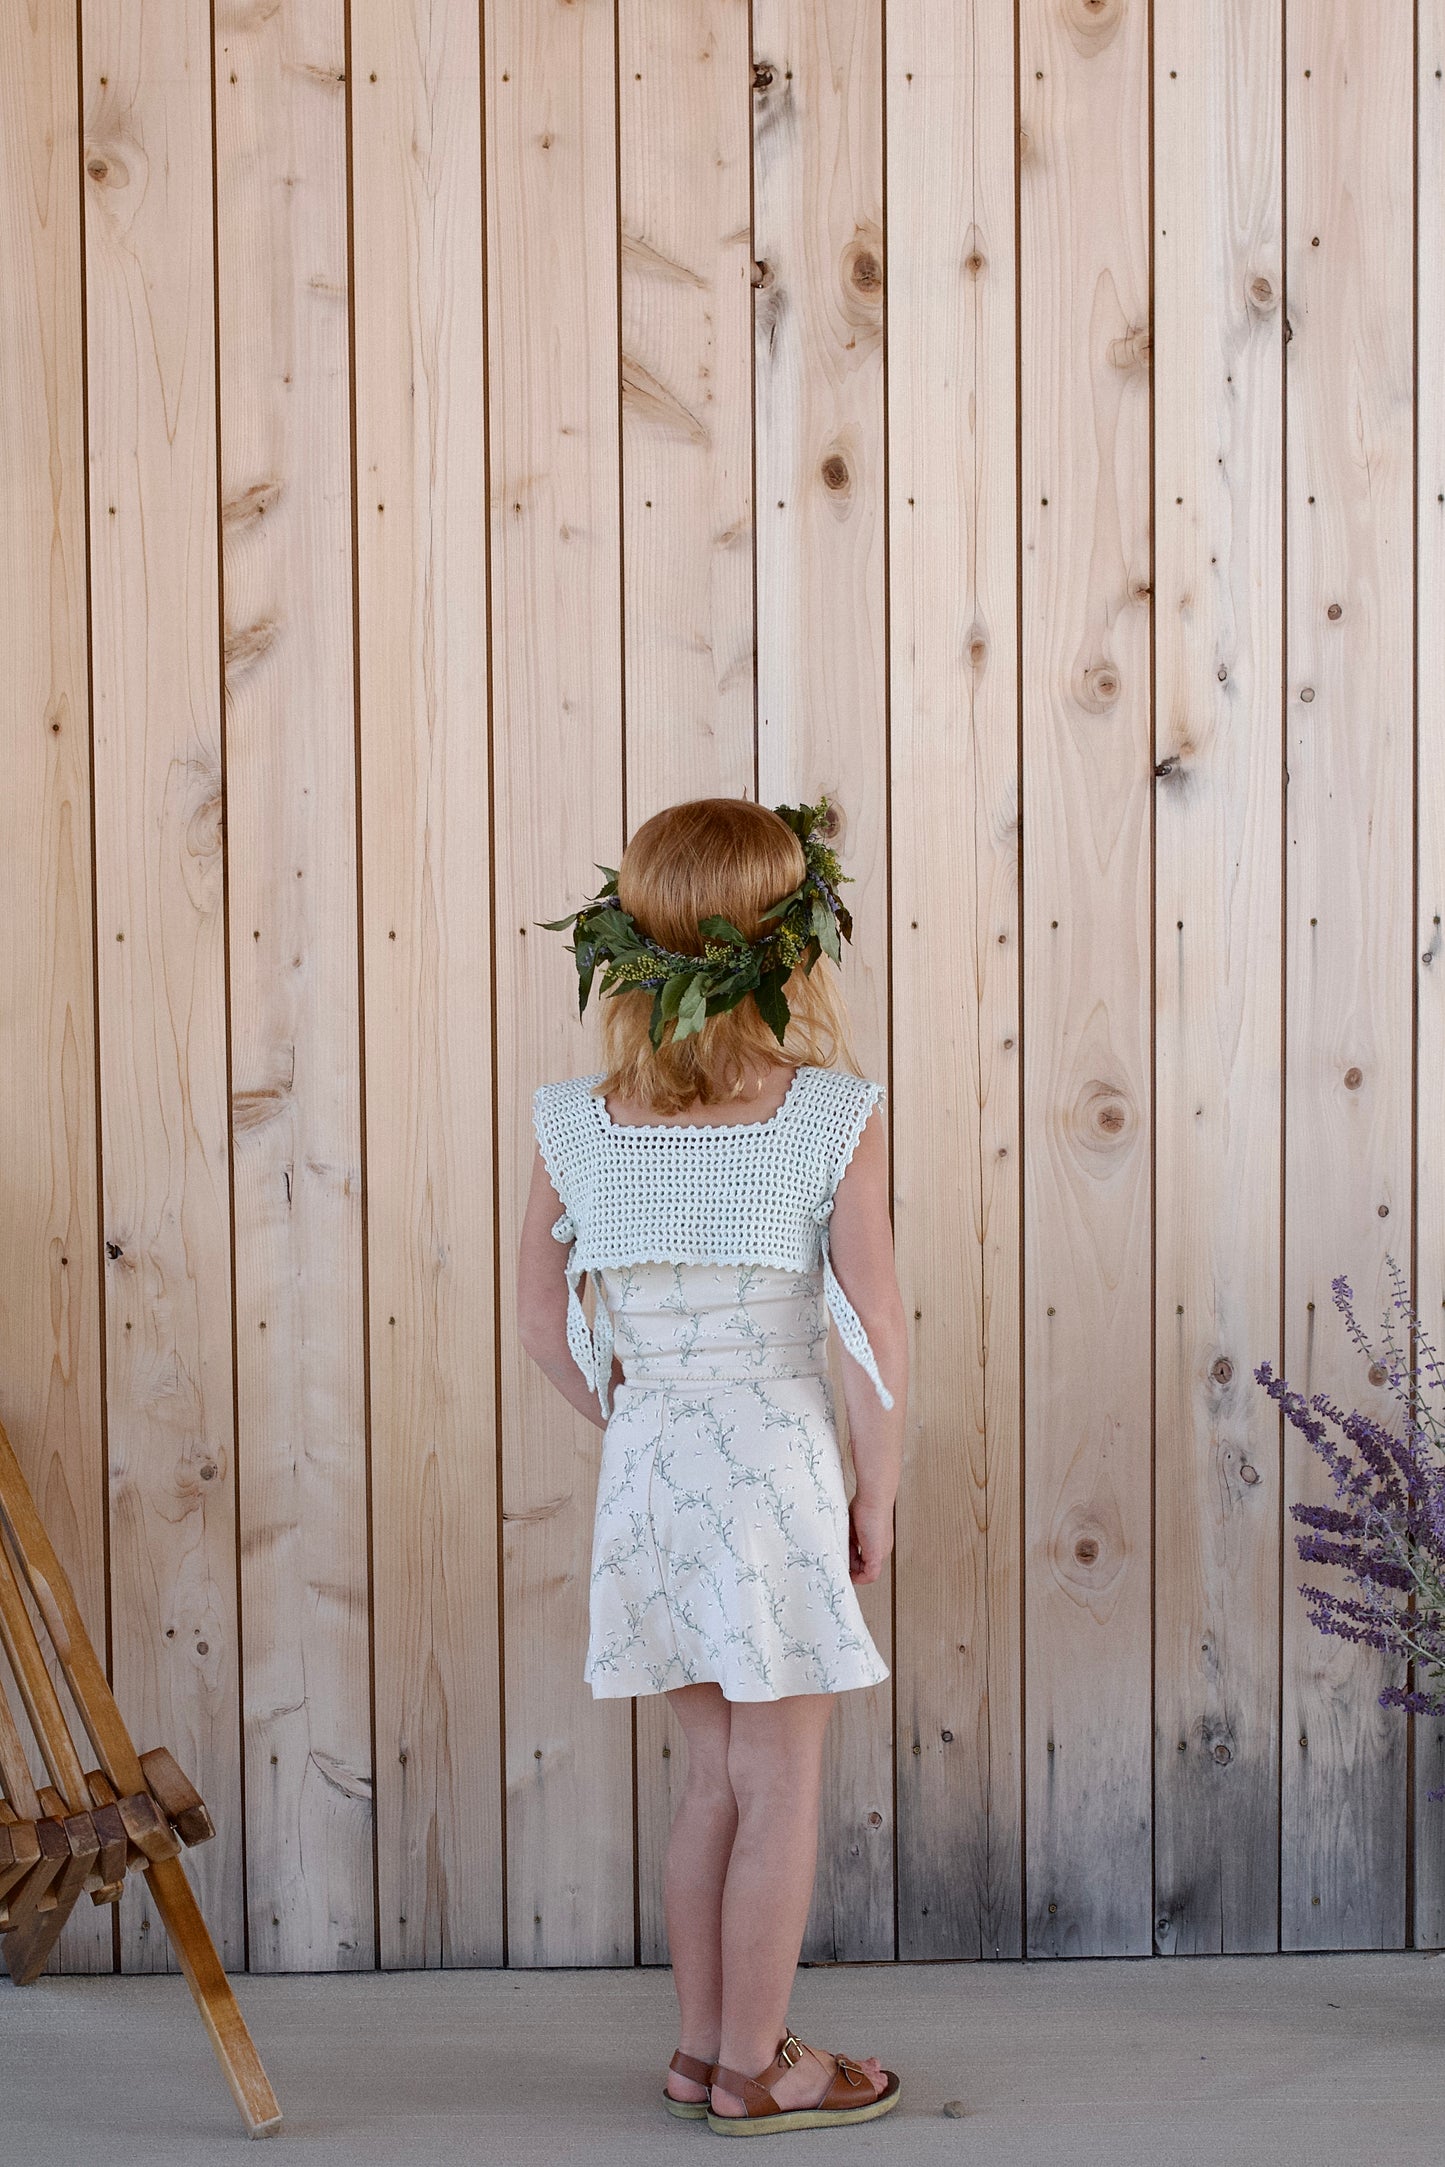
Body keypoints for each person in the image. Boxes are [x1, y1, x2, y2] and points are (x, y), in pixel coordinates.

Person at [517, 796, 905, 2136]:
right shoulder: (827, 1116)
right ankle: (755, 2068)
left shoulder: (579, 1122)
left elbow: (543, 1325)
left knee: (707, 1780)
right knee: (779, 1779)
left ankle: (696, 2050)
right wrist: (877, 1487)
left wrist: (632, 1414)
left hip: (654, 1470)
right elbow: (869, 1330)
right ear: (789, 944)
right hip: (776, 1465)